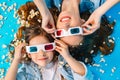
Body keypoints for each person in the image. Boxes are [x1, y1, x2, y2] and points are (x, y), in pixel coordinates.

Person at [5, 2, 94, 80]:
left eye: (47, 47)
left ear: (55, 47)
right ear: (28, 53)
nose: (41, 53)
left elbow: (85, 76)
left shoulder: (63, 63)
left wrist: (67, 57)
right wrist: (16, 60)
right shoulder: (28, 69)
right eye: (33, 49)